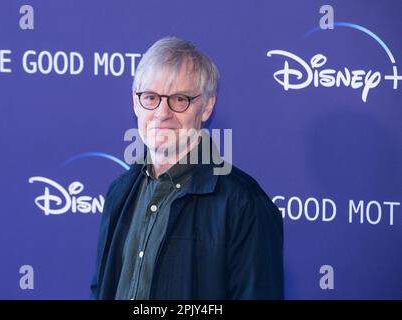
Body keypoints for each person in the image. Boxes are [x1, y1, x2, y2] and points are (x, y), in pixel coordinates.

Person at [90, 37, 284, 300]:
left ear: (207, 107)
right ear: (136, 104)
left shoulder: (244, 204)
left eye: (179, 99)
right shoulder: (120, 192)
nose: (161, 113)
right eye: (150, 97)